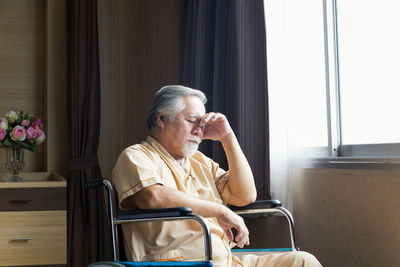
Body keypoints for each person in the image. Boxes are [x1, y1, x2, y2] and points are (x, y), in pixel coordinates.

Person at [112, 85, 322, 267]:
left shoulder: (200, 162)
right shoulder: (136, 156)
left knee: (304, 261)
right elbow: (153, 197)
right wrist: (219, 210)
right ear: (161, 118)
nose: (199, 131)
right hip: (181, 262)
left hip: (227, 260)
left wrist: (227, 138)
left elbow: (245, 196)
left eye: (202, 124)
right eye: (192, 120)